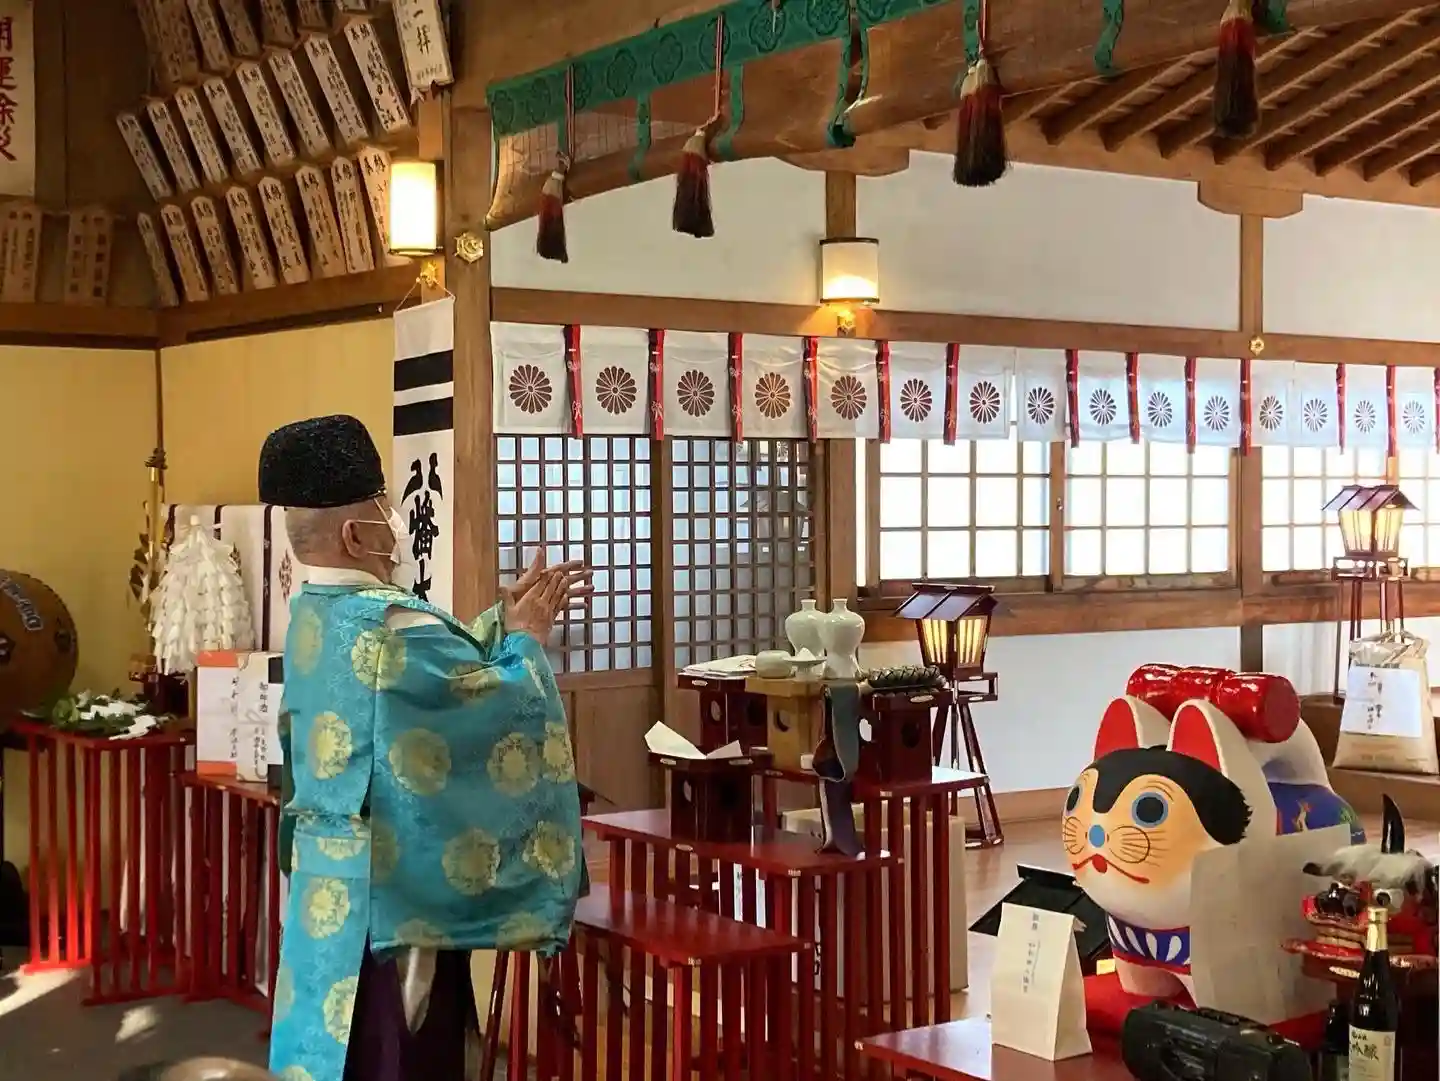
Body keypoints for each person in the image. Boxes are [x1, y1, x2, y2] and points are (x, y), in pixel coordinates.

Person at [258, 414, 591, 1081]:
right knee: (399, 1052)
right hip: (396, 888)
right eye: (383, 505)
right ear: (356, 534)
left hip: (325, 879)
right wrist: (525, 640)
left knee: (329, 1047)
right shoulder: (394, 624)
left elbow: (432, 683)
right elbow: (485, 708)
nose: (394, 520)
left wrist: (499, 625)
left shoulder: (313, 615)